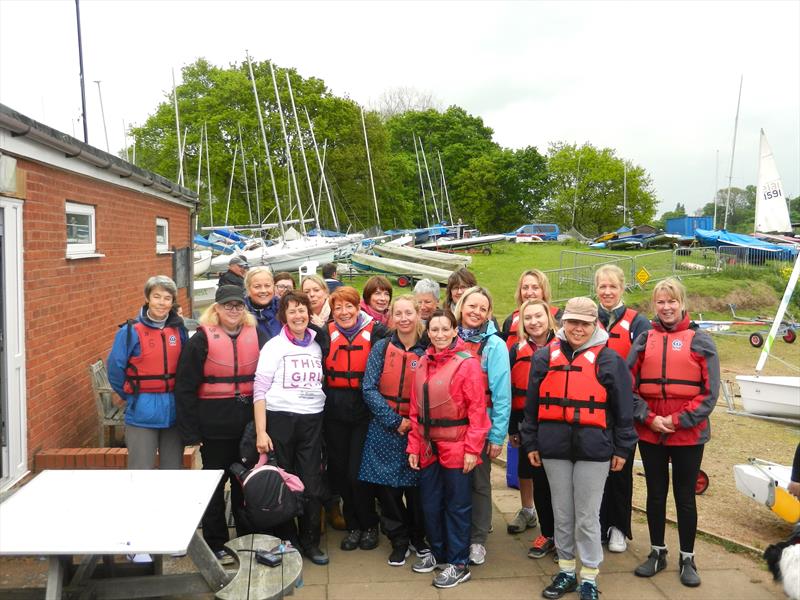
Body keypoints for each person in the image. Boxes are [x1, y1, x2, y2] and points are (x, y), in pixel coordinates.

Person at [521, 297, 637, 600]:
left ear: (595, 324)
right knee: (562, 513)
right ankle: (566, 571)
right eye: (572, 322)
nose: (577, 329)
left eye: (584, 323)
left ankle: (589, 576)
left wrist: (622, 450)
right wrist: (531, 441)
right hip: (554, 448)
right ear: (563, 323)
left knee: (587, 515)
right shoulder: (545, 357)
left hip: (594, 449)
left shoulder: (610, 361)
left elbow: (624, 412)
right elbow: (531, 408)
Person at [629, 278, 719, 588]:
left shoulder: (701, 340)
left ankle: (687, 557)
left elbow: (709, 393)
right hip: (650, 430)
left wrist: (678, 420)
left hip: (687, 434)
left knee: (684, 497)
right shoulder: (643, 339)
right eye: (661, 302)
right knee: (655, 494)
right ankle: (657, 551)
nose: (666, 307)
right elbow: (628, 386)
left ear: (682, 303)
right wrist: (649, 417)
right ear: (654, 305)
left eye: (672, 301)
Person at [175, 285, 265, 563]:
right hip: (213, 426)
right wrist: (190, 433)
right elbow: (185, 388)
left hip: (247, 427)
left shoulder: (257, 335)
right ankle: (216, 543)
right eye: (227, 306)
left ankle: (246, 538)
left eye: (238, 305)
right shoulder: (200, 341)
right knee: (215, 487)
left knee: (245, 485)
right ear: (216, 309)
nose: (233, 310)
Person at [407, 309, 490, 589]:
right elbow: (415, 410)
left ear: (455, 331)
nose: (440, 334)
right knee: (430, 503)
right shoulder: (422, 363)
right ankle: (439, 552)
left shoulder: (467, 364)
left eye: (445, 329)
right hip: (429, 444)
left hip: (457, 442)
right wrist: (414, 446)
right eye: (435, 330)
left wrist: (472, 449)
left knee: (457, 506)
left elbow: (478, 409)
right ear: (428, 333)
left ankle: (458, 562)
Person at [252, 291, 329, 565]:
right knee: (283, 482)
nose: (298, 316)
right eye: (292, 311)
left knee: (311, 482)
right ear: (284, 316)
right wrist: (262, 432)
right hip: (280, 419)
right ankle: (288, 540)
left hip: (311, 420)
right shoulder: (273, 346)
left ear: (310, 314)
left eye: (303, 310)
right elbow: (259, 390)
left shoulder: (317, 345)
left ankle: (311, 541)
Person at [359, 295, 430, 567]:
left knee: (417, 490)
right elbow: (368, 387)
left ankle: (418, 537)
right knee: (387, 491)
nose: (403, 318)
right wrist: (393, 420)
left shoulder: (427, 350)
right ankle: (398, 540)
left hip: (417, 428)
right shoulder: (381, 348)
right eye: (398, 313)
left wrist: (414, 422)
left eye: (408, 312)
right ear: (391, 317)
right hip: (385, 427)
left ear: (417, 314)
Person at [324, 286, 388, 552]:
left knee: (357, 472)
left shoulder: (378, 333)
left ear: (358, 307)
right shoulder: (323, 335)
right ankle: (353, 526)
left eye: (349, 306)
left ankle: (369, 524)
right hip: (335, 412)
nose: (344, 312)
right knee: (339, 470)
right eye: (338, 307)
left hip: (365, 411)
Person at [594, 264, 652, 553]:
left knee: (620, 469)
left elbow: (645, 364)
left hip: (623, 408)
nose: (607, 291)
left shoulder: (638, 323)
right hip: (593, 407)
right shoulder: (590, 319)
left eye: (612, 286)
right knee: (595, 470)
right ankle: (598, 523)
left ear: (621, 288)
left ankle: (618, 526)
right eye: (602, 286)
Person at [454, 286, 511, 566]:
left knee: (479, 484)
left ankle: (477, 540)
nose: (475, 312)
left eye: (482, 308)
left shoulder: (495, 346)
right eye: (471, 306)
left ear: (489, 313)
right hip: (450, 427)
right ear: (461, 306)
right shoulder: (447, 337)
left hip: (481, 427)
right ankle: (455, 533)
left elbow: (502, 395)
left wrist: (497, 436)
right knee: (452, 484)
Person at [507, 300, 557, 561]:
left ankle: (563, 537)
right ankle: (547, 533)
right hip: (528, 427)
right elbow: (512, 391)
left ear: (549, 317)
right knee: (538, 482)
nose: (534, 322)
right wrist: (514, 428)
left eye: (539, 316)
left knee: (559, 484)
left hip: (558, 427)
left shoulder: (564, 347)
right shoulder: (516, 350)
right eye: (528, 318)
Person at [502, 269, 562, 350]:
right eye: (525, 288)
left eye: (535, 287)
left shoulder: (560, 318)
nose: (529, 293)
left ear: (544, 291)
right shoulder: (510, 321)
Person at [244, 266, 282, 342]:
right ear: (248, 289)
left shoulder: (284, 308)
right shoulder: (239, 314)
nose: (263, 290)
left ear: (273, 287)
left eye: (267, 286)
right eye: (257, 287)